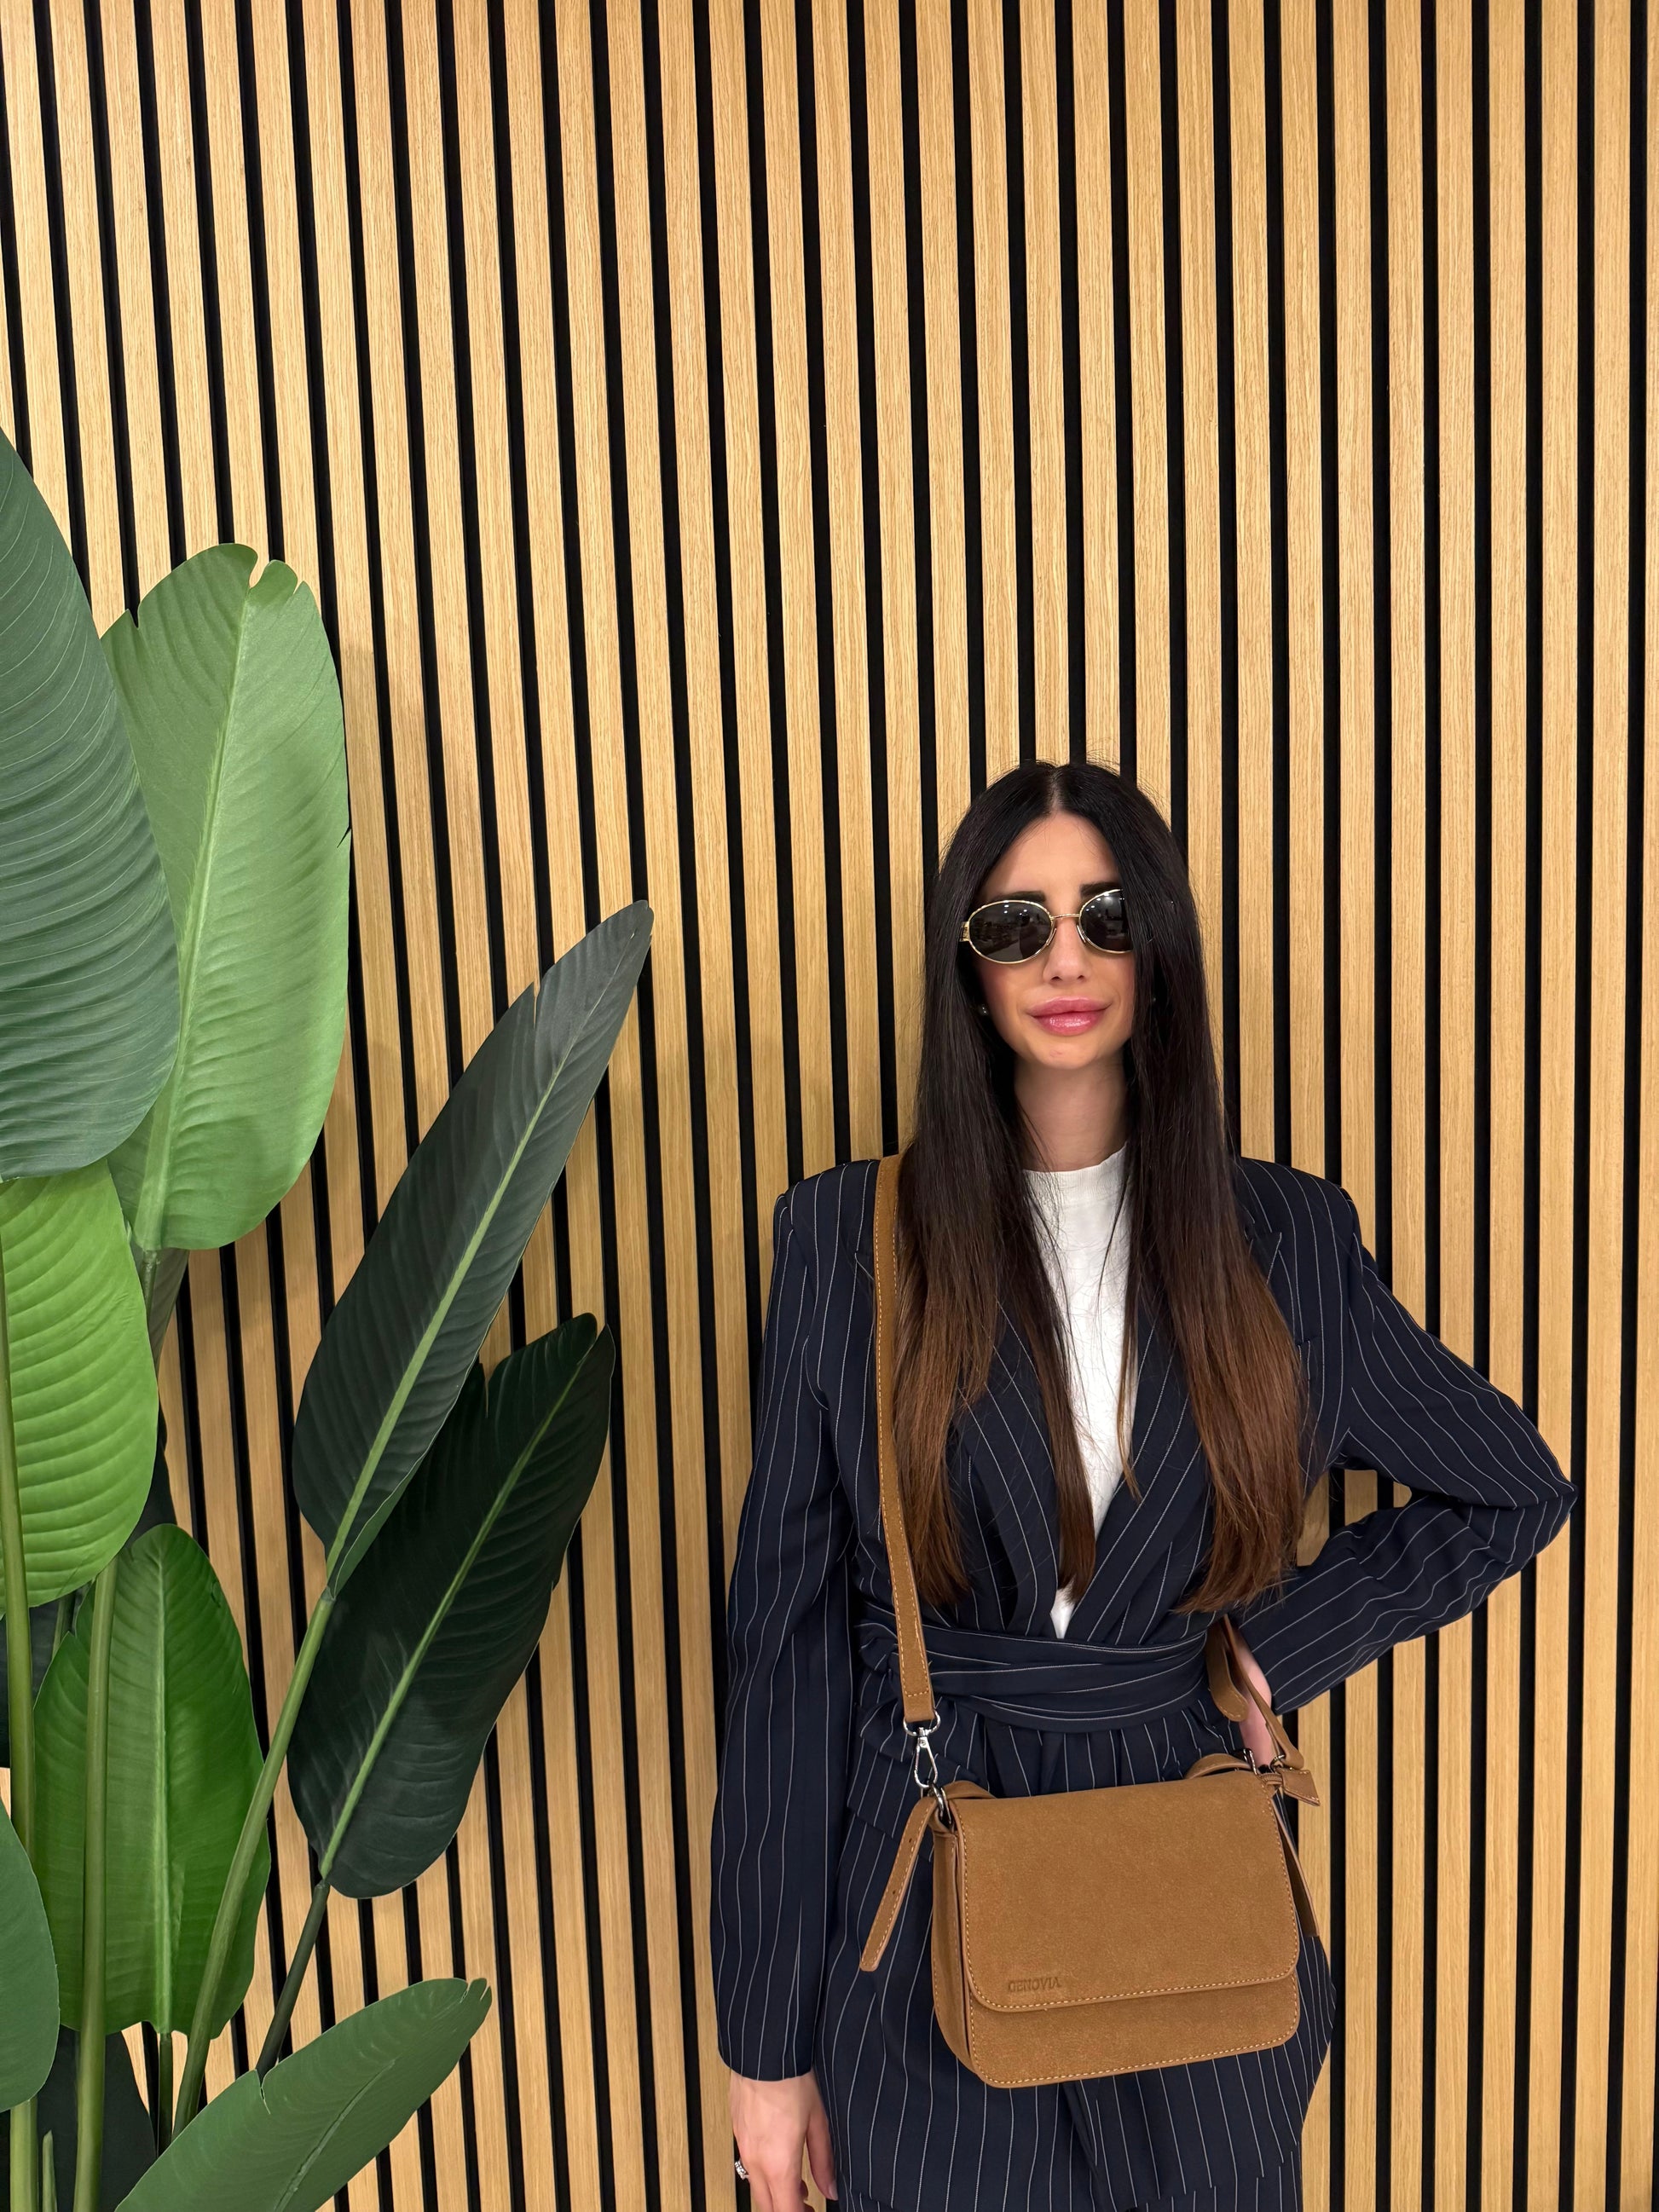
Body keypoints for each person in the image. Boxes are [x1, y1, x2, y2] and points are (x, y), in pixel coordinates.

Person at [709, 760, 1575, 2212]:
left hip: (1193, 1898)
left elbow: (1509, 1485)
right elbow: (784, 1664)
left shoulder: (1280, 1241)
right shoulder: (846, 1244)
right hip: (920, 1902)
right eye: (1017, 925)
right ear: (967, 966)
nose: (1065, 959)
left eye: (1106, 918)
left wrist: (1271, 1648)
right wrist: (764, 2052)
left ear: (1158, 948)